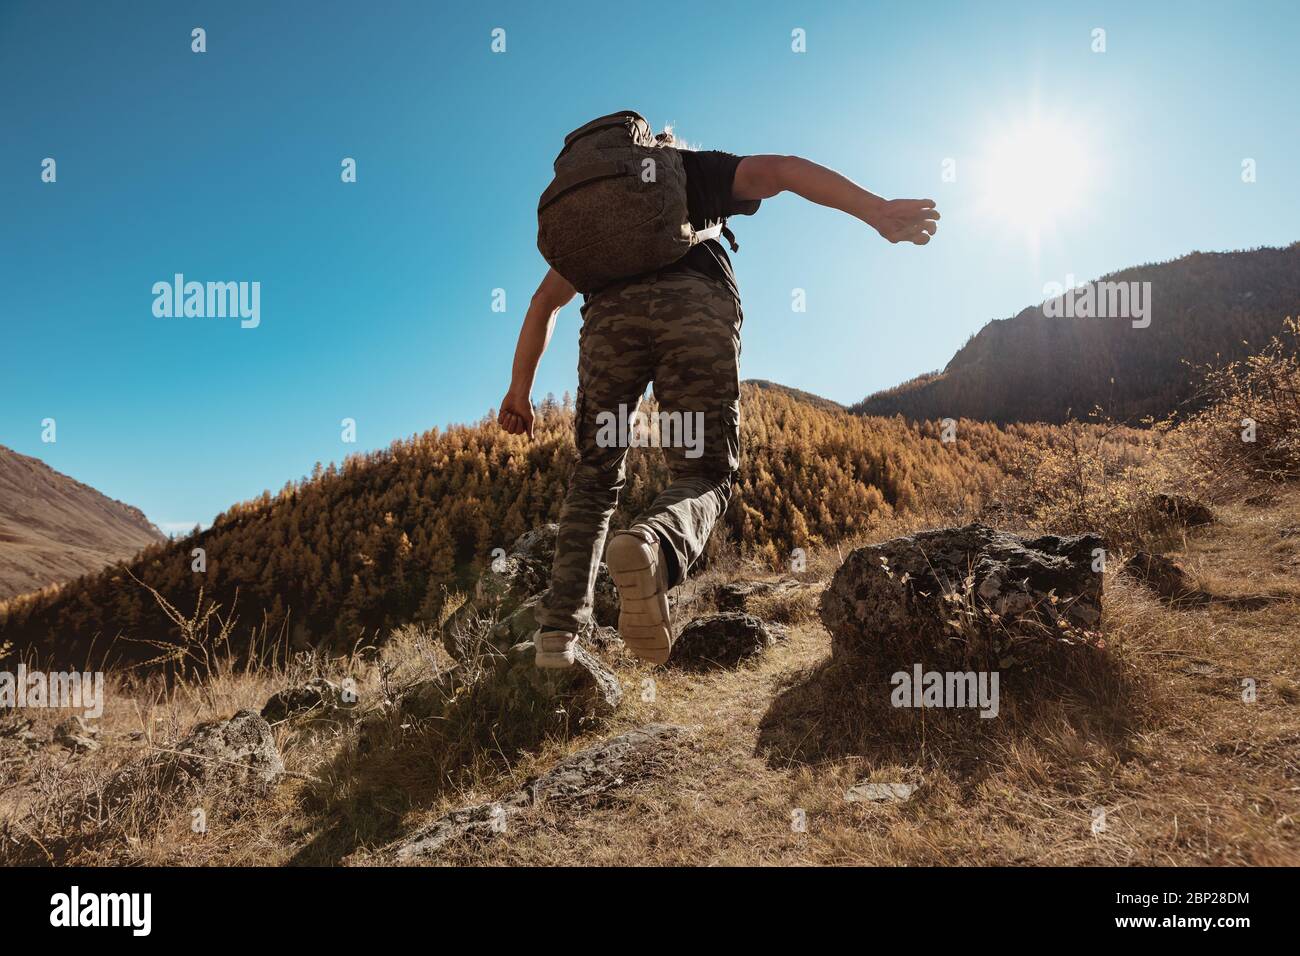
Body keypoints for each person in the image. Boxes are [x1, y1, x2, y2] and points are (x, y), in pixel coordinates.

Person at [499, 127, 939, 668]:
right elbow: (782, 169)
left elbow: (545, 303)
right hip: (695, 310)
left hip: (610, 327)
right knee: (704, 470)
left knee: (594, 476)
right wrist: (875, 210)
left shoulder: (599, 229)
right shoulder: (688, 171)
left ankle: (558, 635)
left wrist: (519, 390)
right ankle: (654, 547)